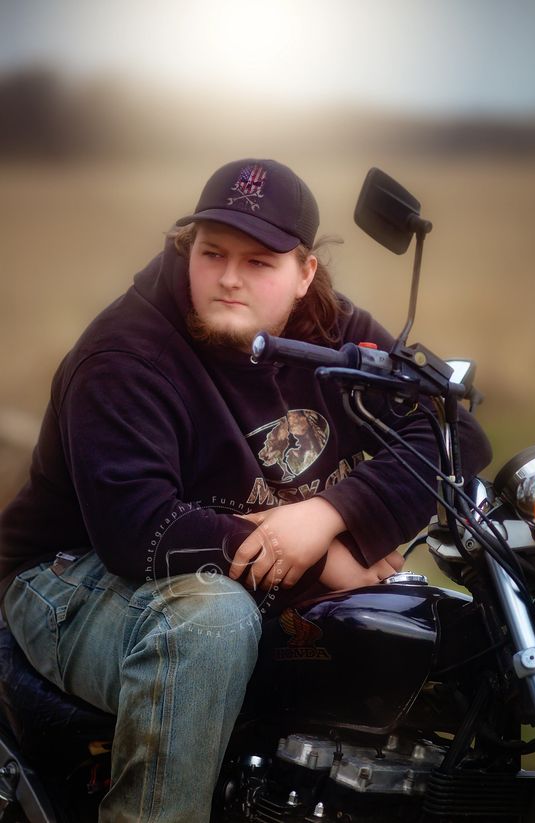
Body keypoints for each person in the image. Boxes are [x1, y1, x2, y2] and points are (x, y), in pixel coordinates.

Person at [0, 158, 492, 821]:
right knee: (213, 623)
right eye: (213, 253)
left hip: (228, 563)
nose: (230, 277)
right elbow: (138, 529)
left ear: (305, 272)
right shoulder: (124, 354)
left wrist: (331, 513)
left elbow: (451, 430)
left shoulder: (332, 331)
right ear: (187, 247)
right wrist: (322, 563)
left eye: (260, 261)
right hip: (66, 577)